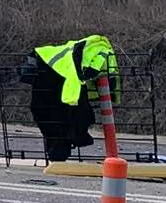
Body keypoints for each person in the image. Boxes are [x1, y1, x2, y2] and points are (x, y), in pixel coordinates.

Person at [24, 34, 118, 162]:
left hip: (54, 81)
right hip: (65, 88)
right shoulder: (97, 49)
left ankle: (59, 150)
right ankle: (61, 149)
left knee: (52, 114)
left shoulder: (87, 49)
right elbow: (97, 70)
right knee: (61, 114)